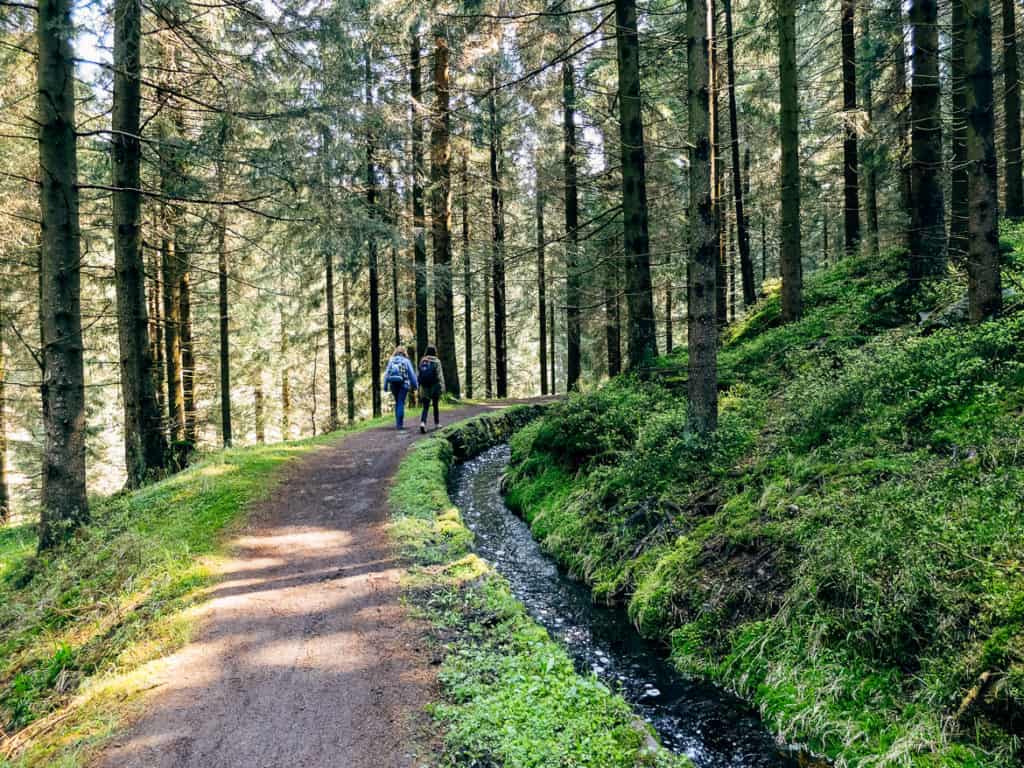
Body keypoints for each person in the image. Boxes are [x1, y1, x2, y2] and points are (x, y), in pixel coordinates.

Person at [382, 346, 418, 431]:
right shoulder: (406, 361)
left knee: (397, 402)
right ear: (404, 353)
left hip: (393, 384)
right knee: (401, 402)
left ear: (396, 352)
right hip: (404, 384)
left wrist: (385, 386)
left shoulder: (392, 360)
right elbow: (411, 374)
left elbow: (387, 373)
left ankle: (398, 423)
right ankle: (399, 424)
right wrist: (415, 385)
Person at [417, 345, 445, 433]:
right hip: (434, 385)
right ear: (435, 352)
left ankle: (422, 423)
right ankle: (437, 423)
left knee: (425, 406)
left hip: (424, 386)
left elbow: (419, 374)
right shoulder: (437, 361)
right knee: (435, 405)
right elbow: (439, 375)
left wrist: (419, 386)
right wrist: (442, 386)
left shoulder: (423, 360)